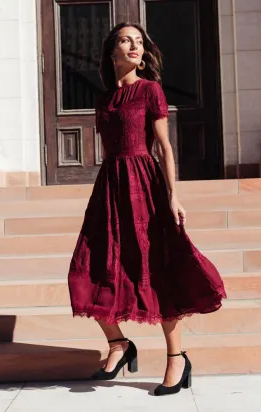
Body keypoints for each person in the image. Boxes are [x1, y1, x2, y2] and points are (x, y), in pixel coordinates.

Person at [68, 22, 227, 396]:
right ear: (112, 51)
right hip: (110, 186)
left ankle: (177, 357)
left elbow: (164, 148)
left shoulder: (149, 90)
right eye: (127, 40)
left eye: (139, 42)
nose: (135, 46)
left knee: (157, 268)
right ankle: (119, 345)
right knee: (87, 270)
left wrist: (173, 195)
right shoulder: (104, 98)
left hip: (145, 184)